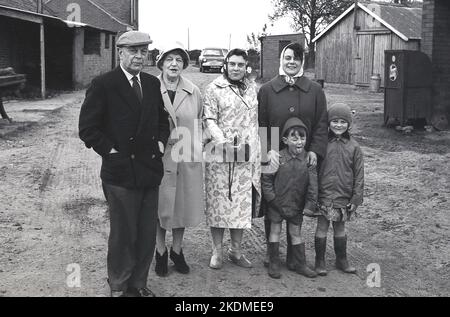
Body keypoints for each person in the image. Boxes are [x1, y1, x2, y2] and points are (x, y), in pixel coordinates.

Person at [78, 31, 170, 297]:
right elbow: (88, 129)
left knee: (145, 233)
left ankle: (138, 284)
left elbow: (162, 121)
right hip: (120, 173)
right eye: (133, 51)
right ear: (120, 53)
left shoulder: (152, 84)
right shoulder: (104, 84)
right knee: (122, 233)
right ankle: (118, 284)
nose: (139, 56)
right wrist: (112, 150)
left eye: (143, 51)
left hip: (149, 170)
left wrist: (161, 142)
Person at [258, 42, 328, 272]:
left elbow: (321, 124)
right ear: (281, 59)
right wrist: (268, 150)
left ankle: (294, 259)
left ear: (302, 62)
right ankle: (272, 256)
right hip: (276, 156)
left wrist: (315, 152)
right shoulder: (267, 90)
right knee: (275, 203)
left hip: (302, 158)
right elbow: (262, 123)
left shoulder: (315, 90)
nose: (291, 62)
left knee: (296, 203)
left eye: (296, 59)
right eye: (287, 57)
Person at [203, 48, 261, 269]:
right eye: (232, 64)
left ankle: (236, 250)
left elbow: (255, 120)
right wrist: (224, 142)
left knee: (240, 204)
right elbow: (209, 119)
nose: (236, 68)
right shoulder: (214, 89)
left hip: (246, 155)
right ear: (226, 65)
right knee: (219, 203)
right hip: (220, 154)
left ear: (246, 67)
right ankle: (217, 251)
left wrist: (256, 148)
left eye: (240, 64)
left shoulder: (252, 89)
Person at [153, 43, 204, 276]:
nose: (174, 64)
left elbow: (201, 122)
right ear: (161, 63)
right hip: (159, 157)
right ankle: (160, 251)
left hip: (185, 156)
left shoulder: (194, 91)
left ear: (184, 65)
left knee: (181, 206)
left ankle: (177, 250)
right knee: (160, 207)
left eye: (179, 60)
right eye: (169, 59)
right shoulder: (151, 87)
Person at [262, 117, 318, 279]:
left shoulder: (308, 160)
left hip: (296, 205)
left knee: (295, 232)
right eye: (294, 138)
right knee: (275, 230)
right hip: (277, 205)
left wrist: (309, 205)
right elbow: (266, 181)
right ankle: (274, 262)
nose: (299, 141)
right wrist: (272, 200)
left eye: (302, 138)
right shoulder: (277, 158)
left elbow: (313, 185)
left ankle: (300, 263)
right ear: (285, 140)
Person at [314, 103, 364, 276]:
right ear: (329, 122)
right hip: (324, 195)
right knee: (321, 227)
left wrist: (356, 198)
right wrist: (314, 194)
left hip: (343, 196)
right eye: (335, 121)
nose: (338, 125)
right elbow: (314, 170)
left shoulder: (354, 147)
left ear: (348, 124)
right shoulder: (322, 144)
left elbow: (359, 174)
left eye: (343, 121)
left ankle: (341, 260)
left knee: (340, 228)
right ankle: (319, 261)